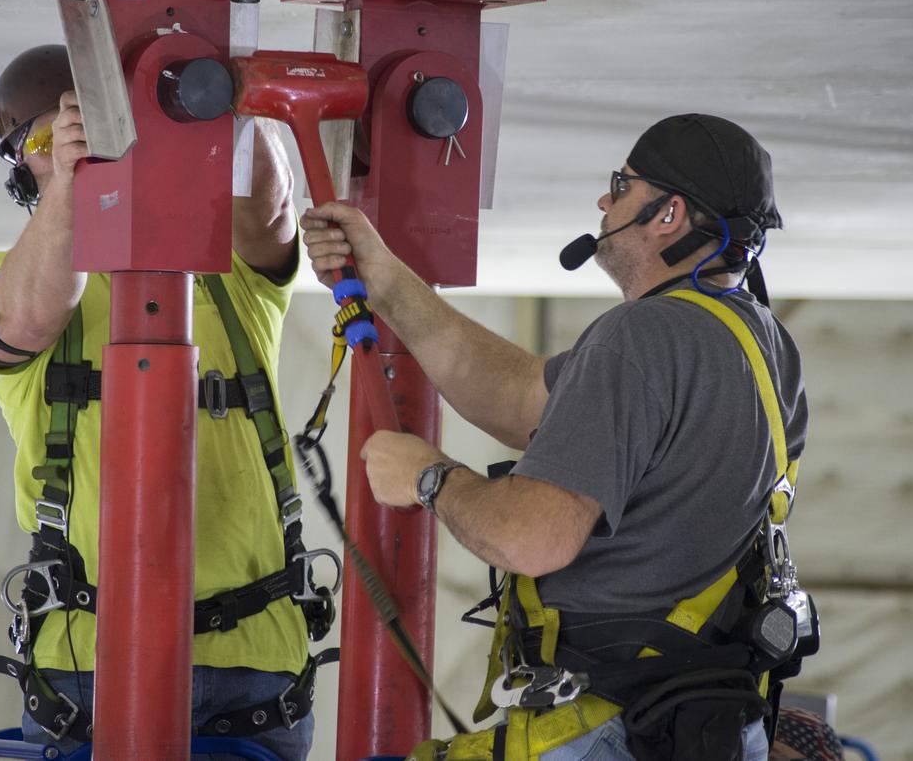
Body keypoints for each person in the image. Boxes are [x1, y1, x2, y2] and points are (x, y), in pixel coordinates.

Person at [299, 114, 811, 761]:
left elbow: (530, 537)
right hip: (690, 726)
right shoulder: (758, 343)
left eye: (621, 185)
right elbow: (521, 397)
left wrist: (430, 477)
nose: (603, 200)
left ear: (667, 213)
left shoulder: (640, 337)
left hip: (607, 728)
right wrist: (387, 280)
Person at [0, 45, 320, 759]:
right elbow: (24, 318)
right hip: (93, 665)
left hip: (261, 665)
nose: (74, 149)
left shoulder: (223, 273)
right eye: (41, 141)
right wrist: (73, 180)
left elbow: (268, 211)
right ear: (20, 167)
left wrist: (227, 108)